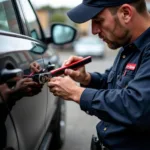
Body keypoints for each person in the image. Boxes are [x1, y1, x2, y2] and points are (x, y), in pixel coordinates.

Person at [48, 0, 150, 149]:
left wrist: (76, 92)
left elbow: (137, 107)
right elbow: (115, 86)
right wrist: (87, 79)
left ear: (126, 13)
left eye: (98, 21)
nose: (94, 30)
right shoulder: (128, 46)